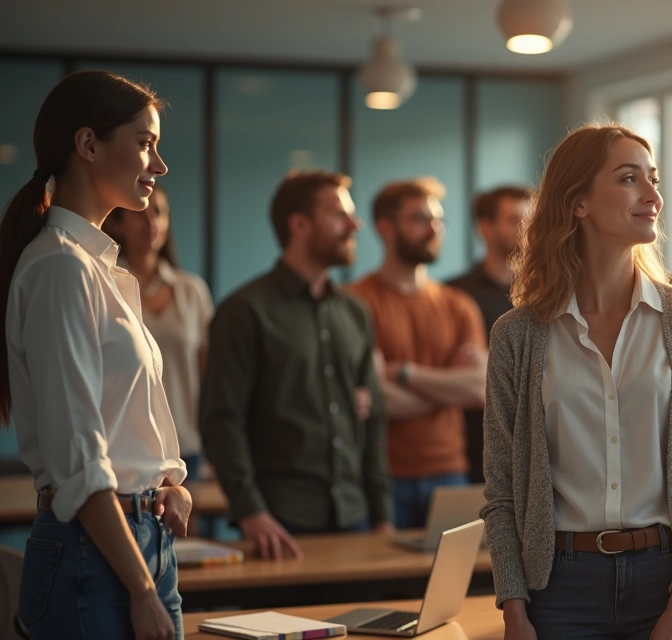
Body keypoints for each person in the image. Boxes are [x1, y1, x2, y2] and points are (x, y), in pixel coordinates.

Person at [482, 123, 672, 640]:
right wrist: (514, 610)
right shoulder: (519, 335)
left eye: (654, 179)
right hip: (557, 591)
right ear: (578, 202)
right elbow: (504, 494)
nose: (653, 196)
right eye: (629, 179)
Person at [0, 70, 189, 640]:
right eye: (145, 143)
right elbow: (80, 460)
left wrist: (170, 479)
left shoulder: (100, 268)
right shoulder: (61, 267)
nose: (158, 165)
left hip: (137, 540)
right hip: (98, 551)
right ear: (87, 145)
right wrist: (138, 588)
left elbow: (123, 419)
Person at [200, 170, 394, 559]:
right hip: (280, 523)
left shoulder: (355, 312)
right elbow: (222, 420)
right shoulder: (244, 311)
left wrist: (383, 515)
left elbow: (372, 417)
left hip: (355, 519)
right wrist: (250, 510)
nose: (355, 224)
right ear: (300, 224)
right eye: (339, 214)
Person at [349, 178, 487, 529]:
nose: (433, 229)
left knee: (450, 582)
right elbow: (377, 399)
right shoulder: (355, 303)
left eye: (438, 219)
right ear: (385, 227)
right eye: (419, 219)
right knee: (382, 583)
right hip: (381, 477)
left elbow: (478, 390)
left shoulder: (458, 305)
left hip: (451, 472)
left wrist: (404, 373)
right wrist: (447, 390)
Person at [104, 186, 214, 482]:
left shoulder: (192, 291)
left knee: (187, 529)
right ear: (117, 223)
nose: (152, 220)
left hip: (184, 444)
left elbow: (208, 374)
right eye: (141, 212)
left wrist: (215, 446)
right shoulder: (105, 285)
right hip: (122, 448)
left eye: (160, 212)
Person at [448, 186, 528, 484]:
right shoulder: (454, 295)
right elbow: (460, 379)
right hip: (471, 449)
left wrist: (489, 362)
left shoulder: (547, 294)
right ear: (485, 227)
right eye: (515, 220)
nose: (527, 229)